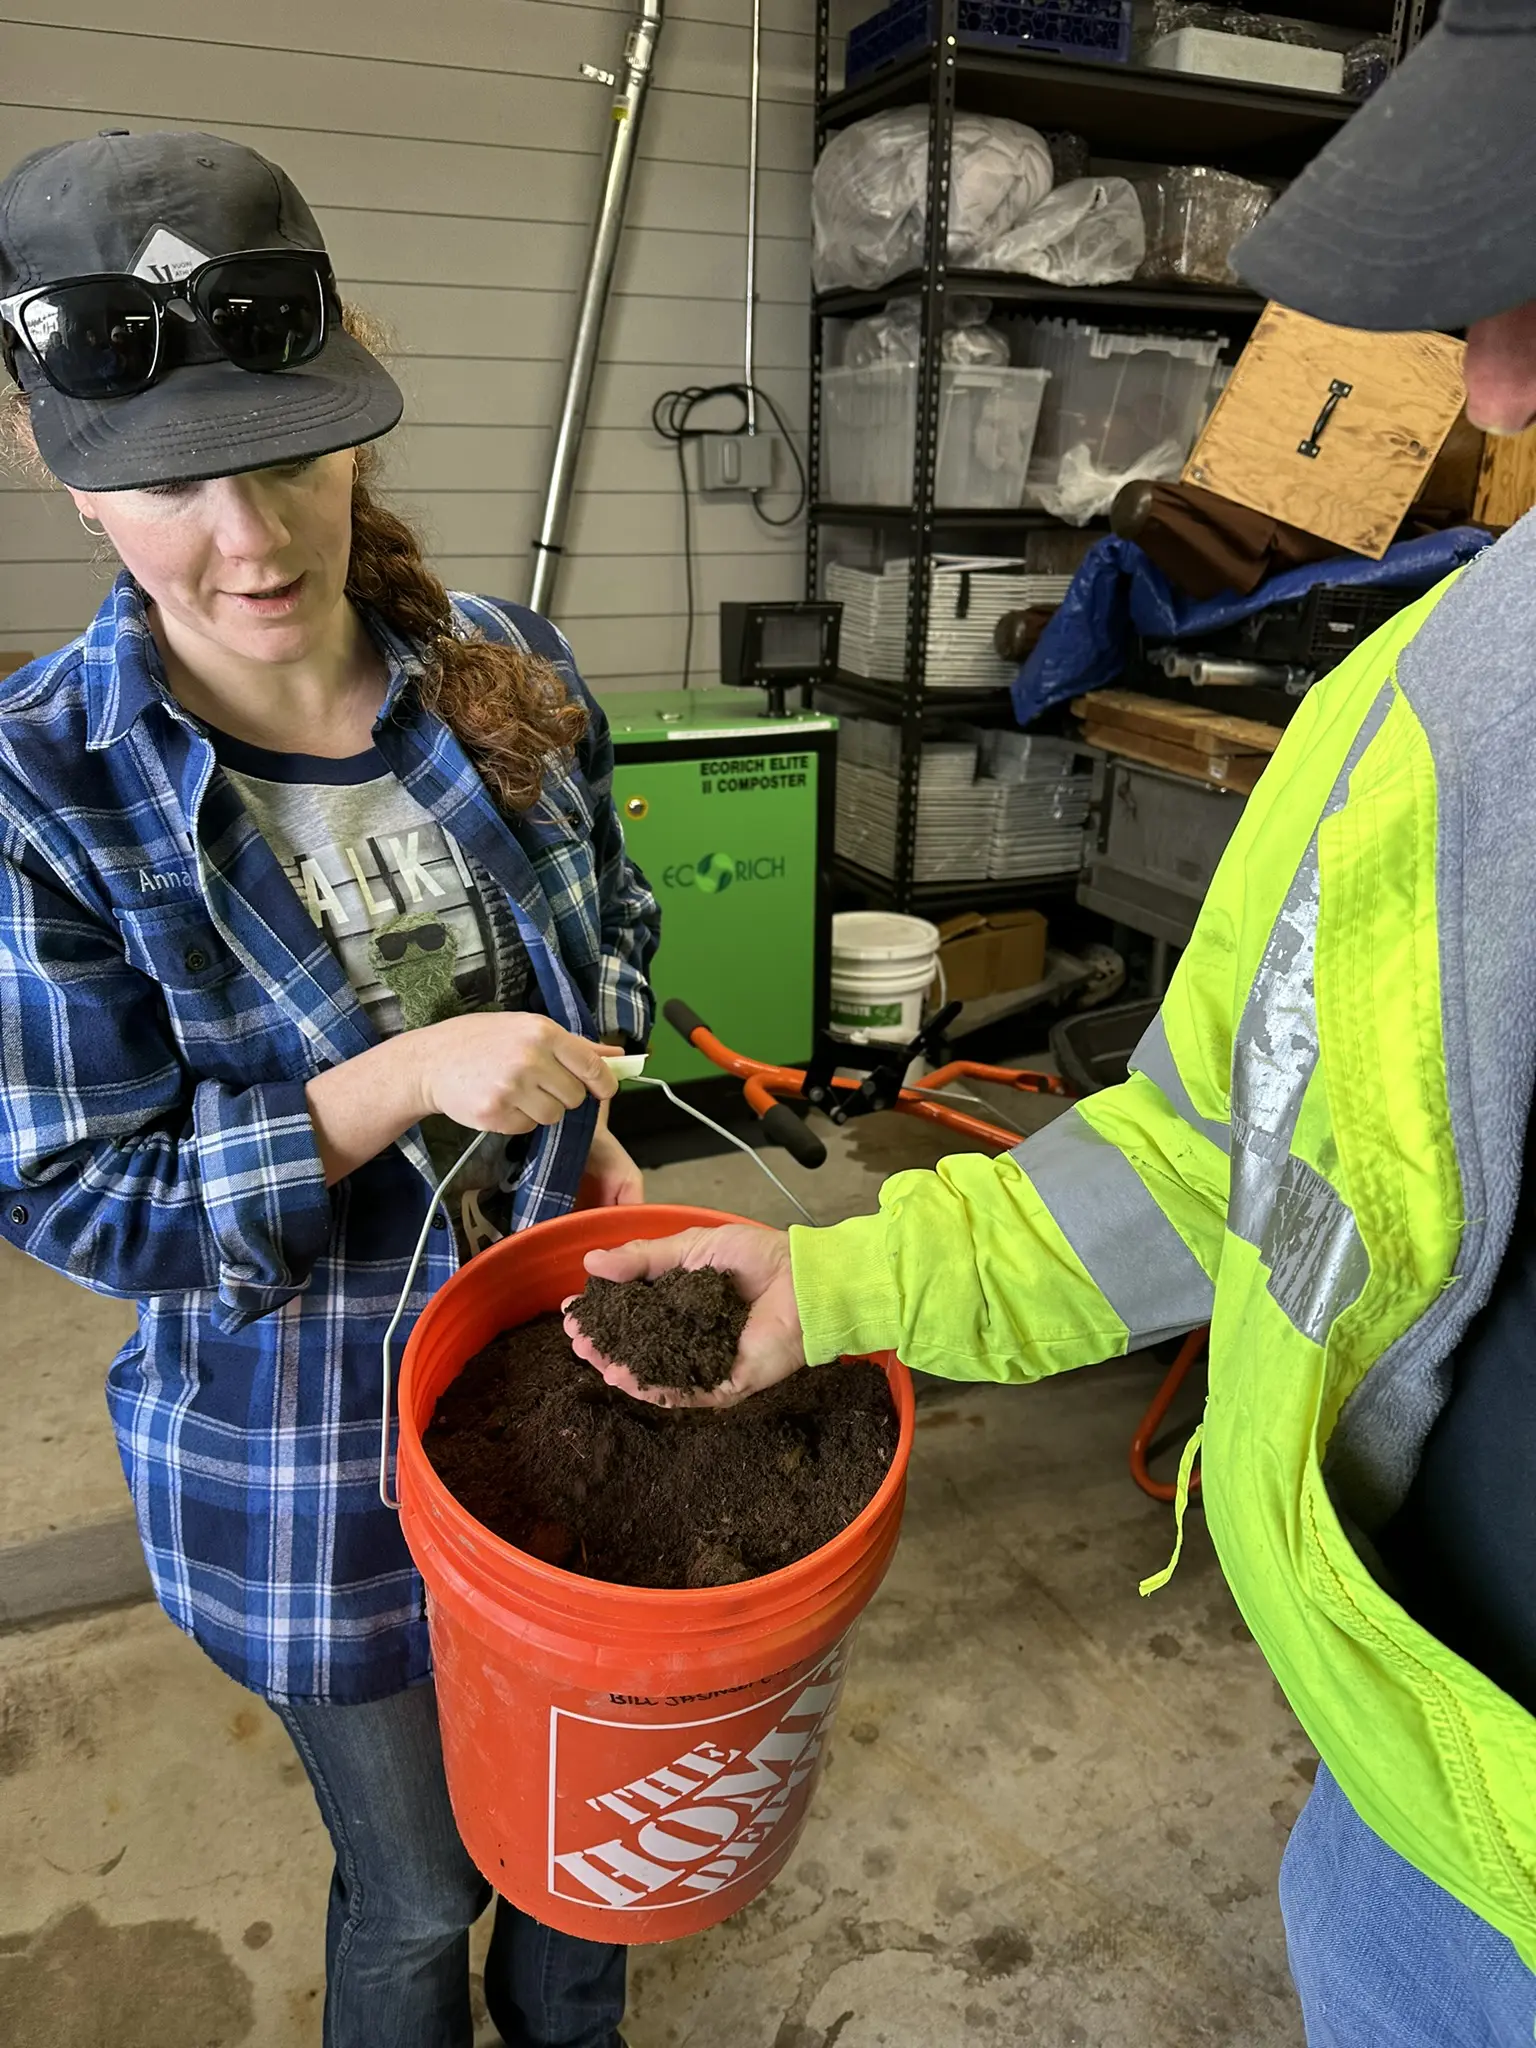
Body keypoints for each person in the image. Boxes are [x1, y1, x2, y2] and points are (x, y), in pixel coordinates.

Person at [567, 3, 1536, 2039]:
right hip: (1417, 1826)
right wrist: (835, 1286)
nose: (1496, 374)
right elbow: (1211, 1152)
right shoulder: (1416, 722)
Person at [0, 130, 659, 2048]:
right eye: (169, 484)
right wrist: (397, 1082)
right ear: (57, 464)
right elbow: (78, 1192)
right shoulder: (48, 787)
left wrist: (596, 1089)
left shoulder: (496, 663)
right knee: (421, 1886)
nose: (251, 539)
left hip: (561, 1393)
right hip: (306, 1470)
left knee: (577, 1842)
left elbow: (608, 907)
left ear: (353, 410)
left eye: (288, 456)